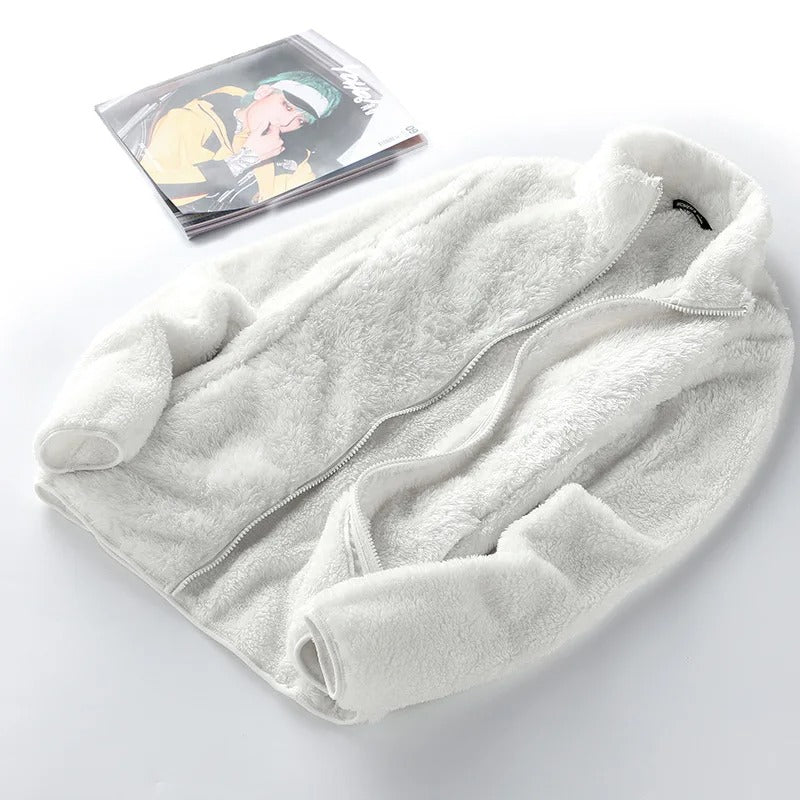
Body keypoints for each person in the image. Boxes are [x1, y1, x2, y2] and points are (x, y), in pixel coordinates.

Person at [138, 71, 342, 212]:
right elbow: (153, 187)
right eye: (287, 107)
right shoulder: (191, 120)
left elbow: (308, 207)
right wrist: (243, 160)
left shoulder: (293, 157)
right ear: (263, 93)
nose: (287, 122)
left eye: (300, 120)